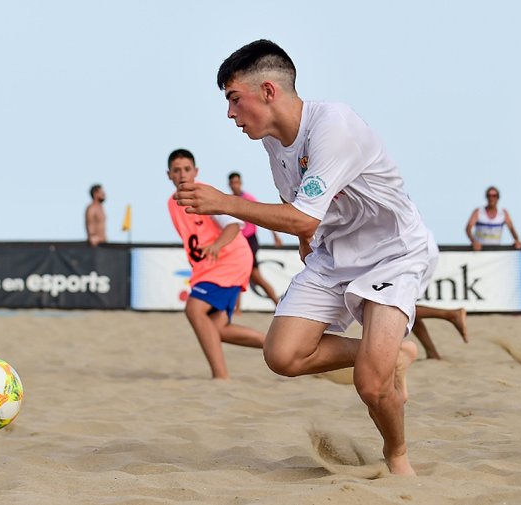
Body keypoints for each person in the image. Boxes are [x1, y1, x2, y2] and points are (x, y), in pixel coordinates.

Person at [174, 39, 437, 475]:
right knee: (282, 356)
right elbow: (302, 216)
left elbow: (298, 216)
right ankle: (392, 352)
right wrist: (306, 250)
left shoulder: (333, 125)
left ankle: (397, 456)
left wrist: (226, 202)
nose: (230, 114)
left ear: (269, 91)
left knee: (370, 383)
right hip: (334, 255)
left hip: (394, 252)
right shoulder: (275, 143)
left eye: (235, 100)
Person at [167, 149, 265, 379]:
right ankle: (283, 347)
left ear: (196, 172)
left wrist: (217, 246)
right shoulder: (172, 204)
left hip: (230, 260)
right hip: (207, 268)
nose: (182, 174)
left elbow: (233, 225)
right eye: (177, 170)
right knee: (216, 328)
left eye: (187, 169)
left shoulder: (204, 195)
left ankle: (220, 378)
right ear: (168, 174)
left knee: (194, 308)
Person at [227, 171, 283, 308]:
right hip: (238, 241)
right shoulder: (228, 201)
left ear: (240, 183)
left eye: (237, 182)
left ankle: (277, 303)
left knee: (255, 276)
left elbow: (264, 216)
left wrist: (275, 236)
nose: (235, 185)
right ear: (229, 185)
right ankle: (237, 308)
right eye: (233, 183)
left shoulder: (248, 198)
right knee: (239, 274)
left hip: (250, 241)